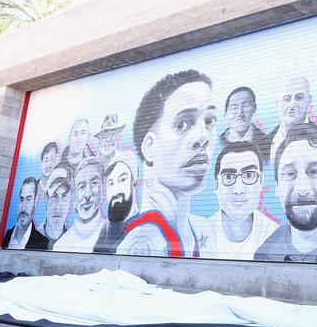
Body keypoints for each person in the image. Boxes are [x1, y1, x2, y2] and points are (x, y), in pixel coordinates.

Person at [119, 70, 216, 257]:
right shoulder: (143, 241)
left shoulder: (201, 227)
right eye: (182, 125)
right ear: (149, 148)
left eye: (209, 120)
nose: (203, 136)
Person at [255, 123, 317, 262]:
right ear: (277, 186)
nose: (302, 188)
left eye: (314, 171)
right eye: (289, 173)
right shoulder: (265, 253)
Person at [199, 142, 278, 260]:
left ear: (261, 182)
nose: (238, 190)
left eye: (249, 175)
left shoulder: (273, 234)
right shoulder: (199, 233)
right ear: (216, 185)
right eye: (229, 177)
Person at [259, 76, 317, 163]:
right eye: (286, 99)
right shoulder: (260, 146)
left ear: (309, 100)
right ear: (277, 104)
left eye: (299, 98)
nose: (292, 105)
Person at [53, 157, 106, 253]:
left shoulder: (112, 237)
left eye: (94, 183)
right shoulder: (61, 245)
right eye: (81, 187)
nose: (88, 194)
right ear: (73, 195)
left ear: (103, 187)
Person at [94, 152, 139, 254]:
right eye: (111, 183)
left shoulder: (142, 227)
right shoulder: (106, 228)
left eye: (122, 180)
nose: (115, 191)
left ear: (134, 182)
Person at [2, 177, 49, 250]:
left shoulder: (42, 241)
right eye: (21, 199)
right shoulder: (7, 235)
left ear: (35, 202)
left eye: (28, 199)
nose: (23, 208)